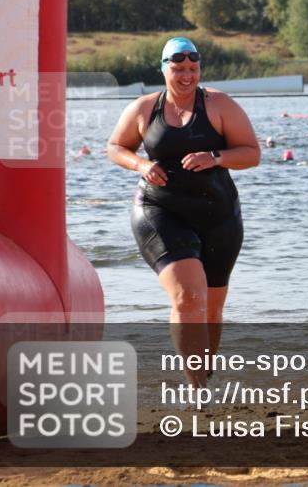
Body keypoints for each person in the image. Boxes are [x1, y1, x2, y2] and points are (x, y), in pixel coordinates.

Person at [108, 37, 260, 388]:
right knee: (188, 297)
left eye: (193, 68)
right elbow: (116, 146)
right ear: (164, 69)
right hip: (160, 210)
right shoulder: (146, 108)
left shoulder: (219, 105)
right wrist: (140, 164)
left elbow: (252, 153)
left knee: (211, 310)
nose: (187, 76)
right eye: (178, 69)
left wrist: (216, 157)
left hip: (218, 214)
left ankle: (204, 376)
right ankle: (198, 391)